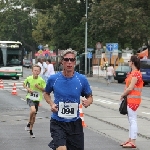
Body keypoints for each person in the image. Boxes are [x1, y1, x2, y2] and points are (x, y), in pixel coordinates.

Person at [44, 48, 93, 150]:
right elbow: (46, 93)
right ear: (62, 61)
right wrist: (51, 104)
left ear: (75, 62)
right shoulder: (54, 79)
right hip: (58, 122)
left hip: (75, 124)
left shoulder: (81, 79)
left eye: (72, 60)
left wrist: (88, 101)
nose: (69, 62)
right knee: (62, 148)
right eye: (66, 60)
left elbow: (89, 96)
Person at [120, 56, 143, 148]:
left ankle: (133, 141)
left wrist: (122, 95)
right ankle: (130, 139)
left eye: (129, 61)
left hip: (134, 100)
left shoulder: (136, 74)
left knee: (133, 120)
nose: (128, 62)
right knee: (130, 120)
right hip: (130, 99)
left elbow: (130, 88)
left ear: (132, 62)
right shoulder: (132, 73)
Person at [23, 64, 46, 138]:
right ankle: (29, 123)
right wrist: (28, 89)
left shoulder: (41, 80)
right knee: (33, 110)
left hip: (37, 99)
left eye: (38, 71)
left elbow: (45, 90)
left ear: (39, 72)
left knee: (34, 117)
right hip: (30, 97)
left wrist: (39, 87)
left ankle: (31, 131)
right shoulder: (29, 78)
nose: (36, 72)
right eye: (35, 70)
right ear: (32, 71)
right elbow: (24, 84)